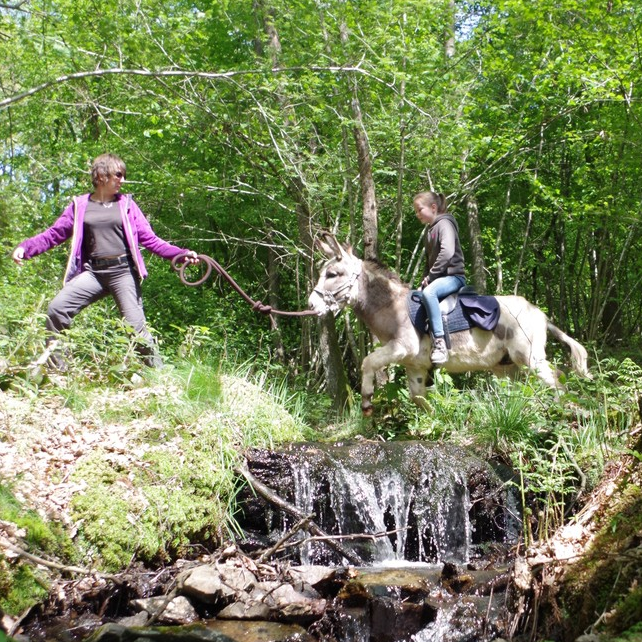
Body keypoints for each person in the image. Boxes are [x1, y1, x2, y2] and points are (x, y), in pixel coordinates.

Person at [12, 153, 198, 370]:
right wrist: (26, 248)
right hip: (94, 273)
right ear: (101, 175)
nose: (122, 180)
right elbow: (54, 234)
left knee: (135, 328)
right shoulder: (80, 206)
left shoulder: (127, 205)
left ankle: (159, 375)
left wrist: (181, 254)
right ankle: (57, 370)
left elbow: (151, 240)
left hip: (123, 272)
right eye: (118, 175)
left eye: (123, 175)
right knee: (57, 309)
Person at [414, 190, 466, 365]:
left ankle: (440, 343)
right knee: (416, 297)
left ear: (433, 207)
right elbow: (429, 262)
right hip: (438, 278)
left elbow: (447, 252)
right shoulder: (429, 231)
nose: (417, 214)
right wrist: (424, 279)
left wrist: (431, 277)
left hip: (453, 277)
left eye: (419, 209)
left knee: (429, 294)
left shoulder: (445, 224)